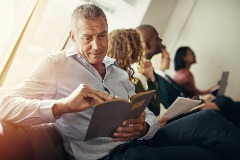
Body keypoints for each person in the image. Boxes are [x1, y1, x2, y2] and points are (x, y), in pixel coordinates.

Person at [0, 5, 240, 160]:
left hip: (142, 140)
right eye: (87, 37)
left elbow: (148, 114)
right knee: (203, 155)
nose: (97, 46)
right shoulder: (55, 65)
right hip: (110, 155)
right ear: (73, 36)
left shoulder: (118, 72)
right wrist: (64, 106)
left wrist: (145, 126)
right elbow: (4, 103)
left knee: (207, 119)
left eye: (102, 35)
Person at [107, 29, 161, 116]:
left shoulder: (134, 80)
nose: (140, 50)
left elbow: (155, 109)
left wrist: (150, 77)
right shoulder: (116, 83)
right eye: (136, 45)